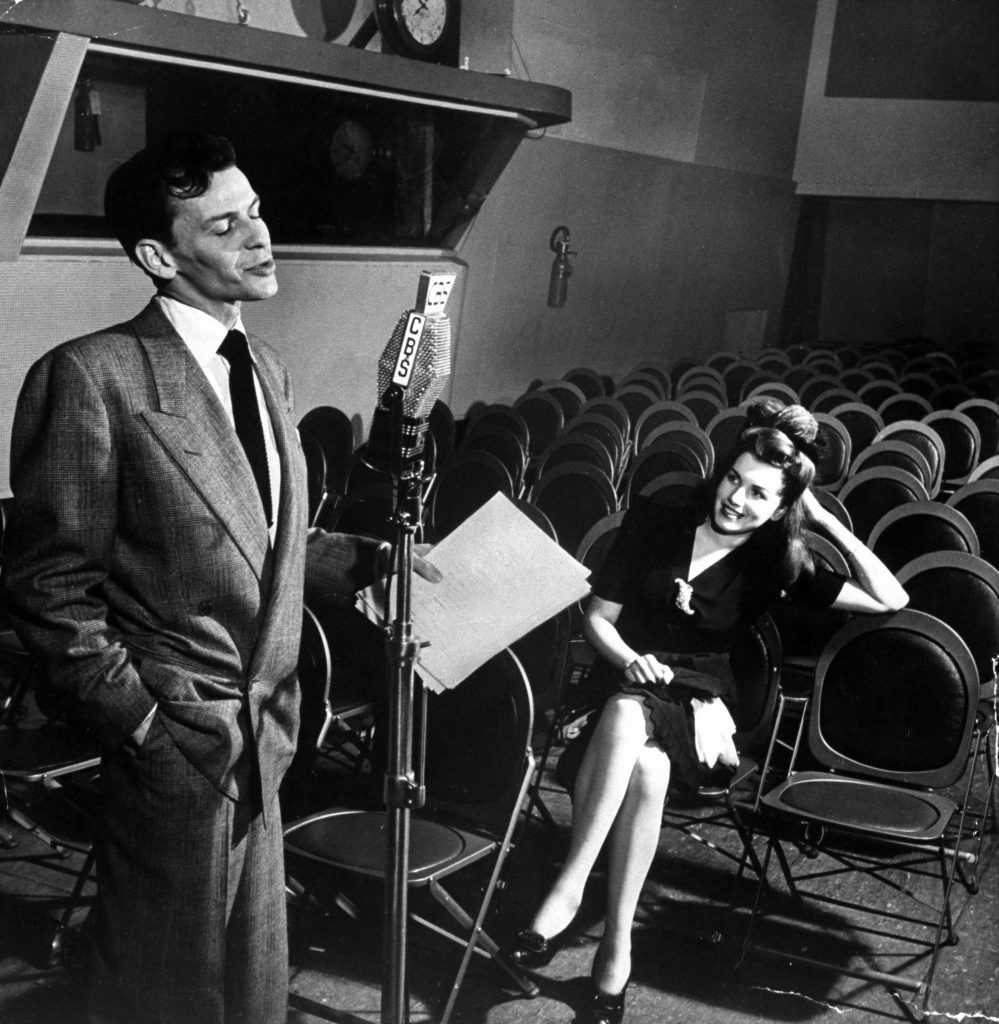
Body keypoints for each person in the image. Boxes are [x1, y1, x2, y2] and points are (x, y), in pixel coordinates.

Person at [2, 130, 438, 1024]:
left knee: (249, 990)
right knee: (159, 990)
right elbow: (50, 591)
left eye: (257, 212)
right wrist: (145, 726)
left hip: (268, 736)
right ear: (159, 256)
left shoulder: (264, 370)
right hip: (172, 741)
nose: (259, 236)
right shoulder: (91, 377)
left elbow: (262, 543)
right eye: (226, 224)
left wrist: (371, 559)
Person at [507, 400, 908, 1024]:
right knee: (645, 762)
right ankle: (617, 946)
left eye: (759, 495)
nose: (737, 500)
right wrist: (630, 660)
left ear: (780, 508)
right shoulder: (658, 520)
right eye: (733, 480)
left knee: (630, 720)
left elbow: (891, 598)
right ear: (719, 473)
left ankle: (572, 879)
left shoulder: (777, 560)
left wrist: (824, 522)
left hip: (702, 704)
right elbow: (598, 620)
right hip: (625, 678)